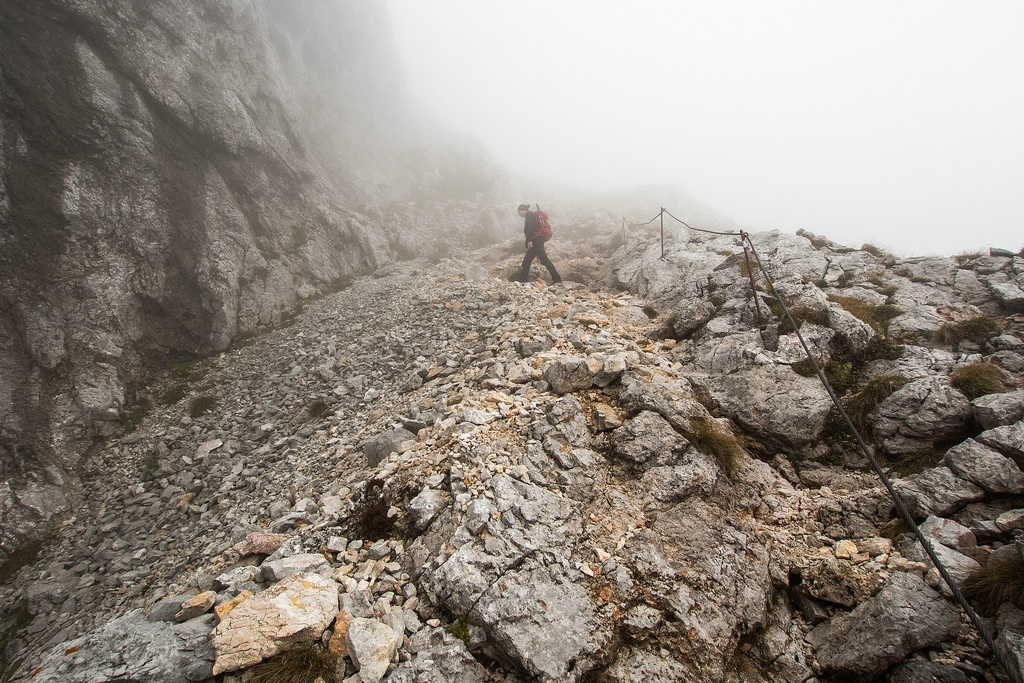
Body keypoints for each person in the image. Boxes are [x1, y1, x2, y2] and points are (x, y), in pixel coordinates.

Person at [517, 203, 561, 284]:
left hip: (536, 241)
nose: (518, 213)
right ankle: (521, 281)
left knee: (544, 260)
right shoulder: (530, 215)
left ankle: (557, 279)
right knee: (526, 261)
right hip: (536, 241)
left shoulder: (529, 215)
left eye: (519, 211)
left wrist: (530, 241)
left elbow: (530, 228)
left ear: (522, 210)